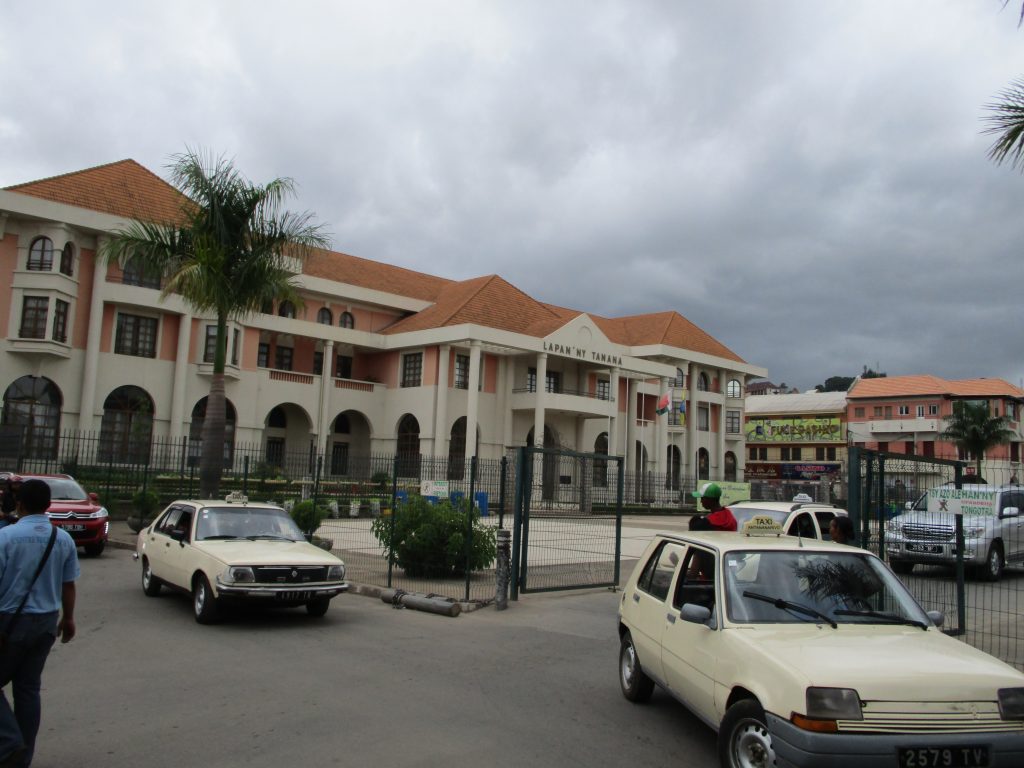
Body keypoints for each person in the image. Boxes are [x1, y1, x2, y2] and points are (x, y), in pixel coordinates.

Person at [0, 479, 79, 767]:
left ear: (19, 504)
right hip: (46, 622)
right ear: (48, 506)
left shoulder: (6, 537)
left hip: (10, 622)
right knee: (28, 689)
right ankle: (22, 757)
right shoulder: (62, 539)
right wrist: (68, 619)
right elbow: (68, 585)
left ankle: (9, 742)